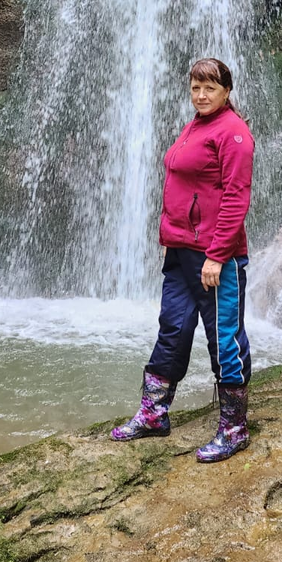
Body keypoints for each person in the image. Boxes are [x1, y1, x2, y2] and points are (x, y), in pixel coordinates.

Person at [111, 57, 254, 463]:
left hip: (215, 259)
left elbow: (235, 198)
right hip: (180, 252)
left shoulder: (234, 133)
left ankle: (234, 428)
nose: (201, 95)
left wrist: (217, 256)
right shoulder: (196, 126)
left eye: (209, 87)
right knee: (172, 329)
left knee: (224, 339)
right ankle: (154, 413)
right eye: (195, 87)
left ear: (226, 90)